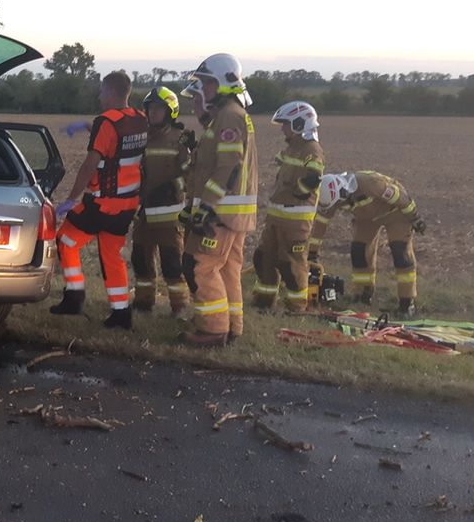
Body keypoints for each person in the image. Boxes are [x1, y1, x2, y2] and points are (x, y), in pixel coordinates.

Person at [50, 71, 147, 330]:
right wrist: (86, 127)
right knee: (111, 254)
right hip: (127, 204)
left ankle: (74, 296)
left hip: (102, 204)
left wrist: (71, 199)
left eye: (102, 91)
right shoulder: (139, 119)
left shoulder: (106, 121)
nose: (99, 95)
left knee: (65, 239)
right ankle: (121, 313)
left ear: (112, 92)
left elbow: (90, 164)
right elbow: (118, 138)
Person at [177, 53, 258, 347]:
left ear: (224, 82)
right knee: (227, 269)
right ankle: (232, 326)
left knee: (200, 265)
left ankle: (212, 330)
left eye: (207, 83)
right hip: (231, 213)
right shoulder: (232, 114)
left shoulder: (228, 116)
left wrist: (207, 206)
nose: (205, 89)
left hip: (221, 213)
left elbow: (228, 166)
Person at [309, 171, 425, 318]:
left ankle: (407, 304)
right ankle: (362, 295)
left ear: (344, 190)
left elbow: (400, 198)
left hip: (396, 213)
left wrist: (415, 218)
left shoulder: (370, 184)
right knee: (359, 252)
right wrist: (312, 253)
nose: (339, 205)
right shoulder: (331, 198)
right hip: (366, 217)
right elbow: (320, 225)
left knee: (401, 254)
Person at [251, 101, 325, 312]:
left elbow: (314, 177)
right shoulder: (292, 148)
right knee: (264, 258)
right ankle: (264, 301)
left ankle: (296, 306)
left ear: (301, 124)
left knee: (291, 265)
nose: (283, 129)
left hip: (296, 219)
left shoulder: (312, 149)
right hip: (276, 216)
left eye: (286, 124)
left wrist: (299, 191)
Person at [130, 86, 194, 316]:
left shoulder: (180, 140)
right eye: (150, 108)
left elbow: (190, 175)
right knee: (140, 259)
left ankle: (179, 305)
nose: (153, 113)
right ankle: (143, 302)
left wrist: (170, 188)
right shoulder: (142, 139)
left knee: (172, 263)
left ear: (170, 112)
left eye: (158, 108)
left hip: (169, 214)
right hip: (144, 213)